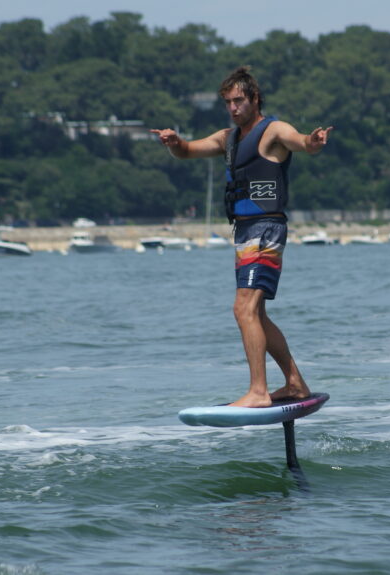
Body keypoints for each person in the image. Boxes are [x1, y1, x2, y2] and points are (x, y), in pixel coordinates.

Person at [151, 66, 333, 408]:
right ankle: (294, 383)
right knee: (256, 314)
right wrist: (174, 143)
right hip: (245, 231)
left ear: (254, 99)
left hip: (266, 228)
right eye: (228, 103)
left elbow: (302, 142)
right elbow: (188, 150)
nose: (233, 108)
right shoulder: (227, 138)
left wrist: (314, 142)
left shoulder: (273, 130)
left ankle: (259, 392)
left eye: (239, 101)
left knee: (243, 308)